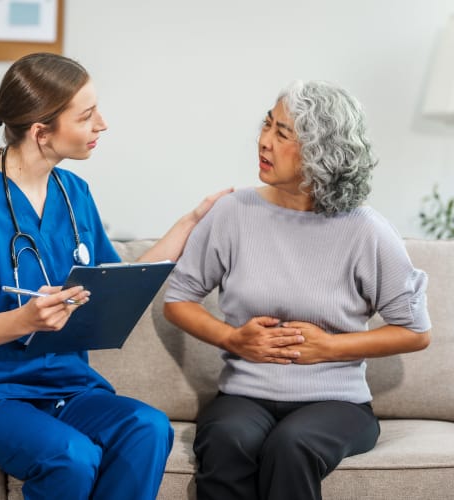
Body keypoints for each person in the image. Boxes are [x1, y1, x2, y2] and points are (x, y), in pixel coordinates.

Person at [0, 52, 230, 500]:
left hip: (68, 385)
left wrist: (190, 223)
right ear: (42, 131)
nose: (102, 124)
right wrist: (25, 320)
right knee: (70, 455)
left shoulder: (74, 193)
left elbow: (114, 279)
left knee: (147, 427)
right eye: (86, 116)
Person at [163, 80, 431, 500]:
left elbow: (415, 332)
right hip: (244, 395)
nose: (264, 142)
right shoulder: (234, 213)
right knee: (226, 441)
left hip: (338, 404)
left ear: (321, 151)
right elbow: (178, 299)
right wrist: (233, 338)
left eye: (282, 134)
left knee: (292, 446)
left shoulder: (366, 229)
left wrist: (329, 348)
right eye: (267, 126)